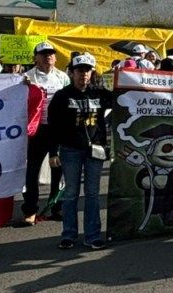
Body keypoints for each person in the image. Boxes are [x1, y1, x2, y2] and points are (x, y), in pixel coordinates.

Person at [47, 53, 114, 250]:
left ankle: (92, 236)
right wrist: (53, 152)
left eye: (87, 70)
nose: (83, 74)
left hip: (96, 150)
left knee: (92, 194)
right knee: (71, 193)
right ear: (72, 72)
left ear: (92, 72)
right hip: (70, 151)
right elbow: (53, 126)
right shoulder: (62, 96)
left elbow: (125, 99)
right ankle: (69, 234)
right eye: (79, 70)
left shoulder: (101, 94)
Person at [20, 41, 71, 226]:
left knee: (59, 169)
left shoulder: (63, 77)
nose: (48, 57)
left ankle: (56, 207)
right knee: (31, 171)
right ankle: (30, 209)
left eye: (51, 53)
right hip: (36, 129)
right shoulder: (26, 77)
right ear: (36, 58)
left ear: (55, 57)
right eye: (43, 54)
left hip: (57, 129)